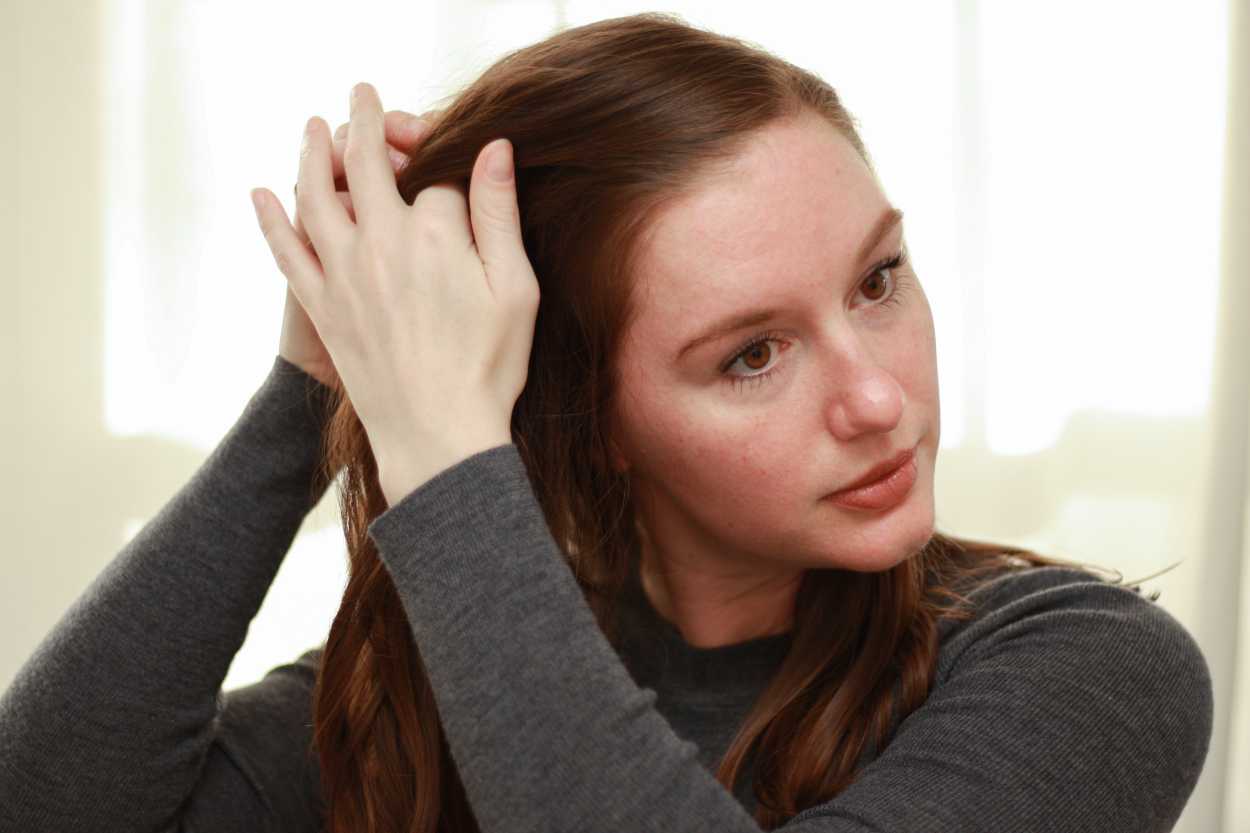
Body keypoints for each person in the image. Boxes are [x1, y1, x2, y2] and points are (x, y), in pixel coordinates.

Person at [0, 12, 1213, 833]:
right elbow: (48, 803)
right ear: (592, 420)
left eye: (877, 279)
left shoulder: (1088, 671)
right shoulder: (458, 679)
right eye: (750, 354)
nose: (879, 397)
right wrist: (318, 383)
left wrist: (442, 454)